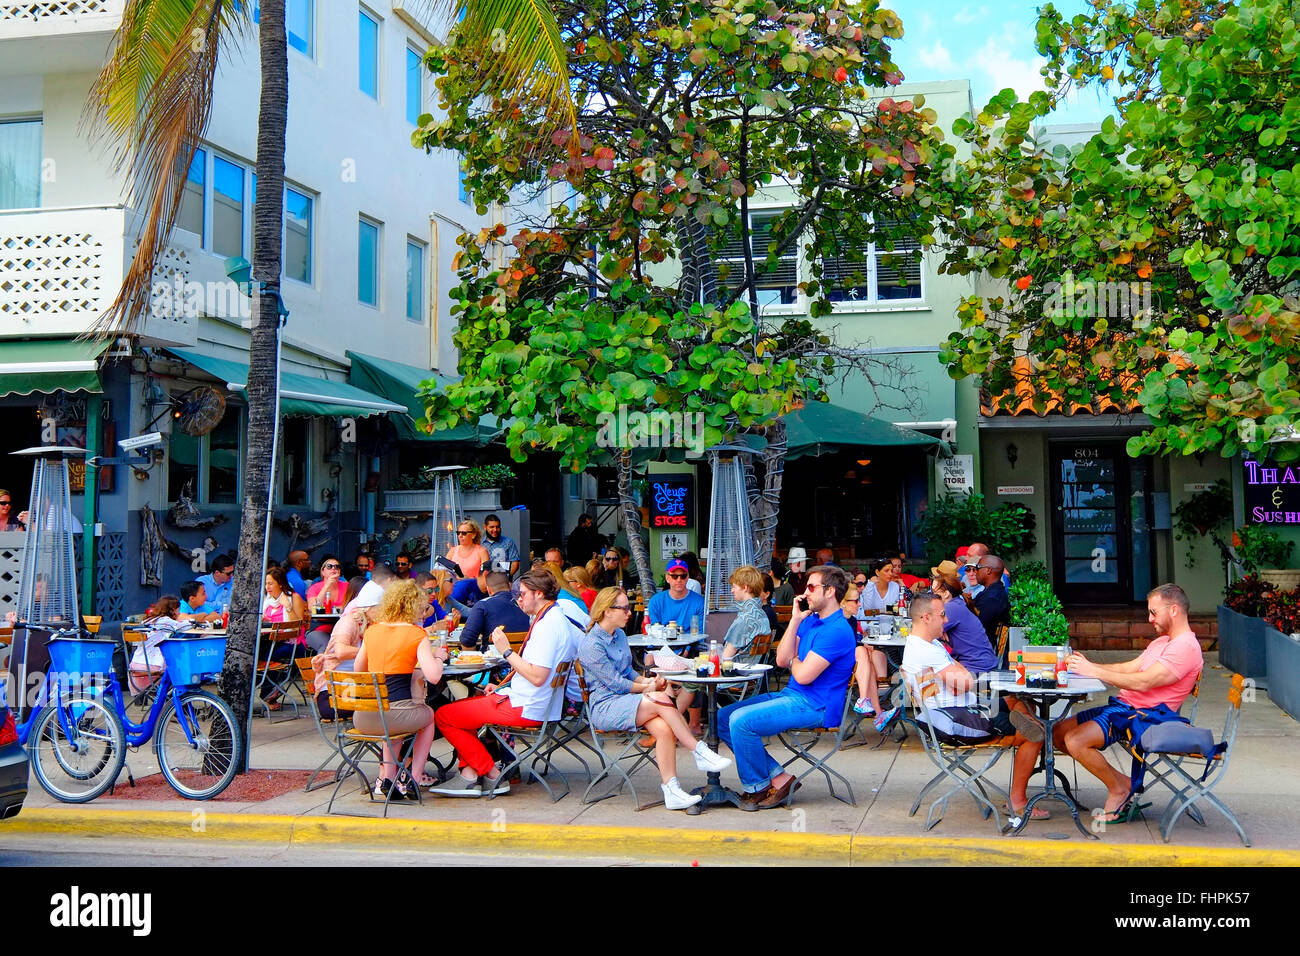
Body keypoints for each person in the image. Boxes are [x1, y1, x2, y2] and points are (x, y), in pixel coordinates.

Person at [1048, 584, 1205, 823]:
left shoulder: (1185, 648)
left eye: (1153, 612)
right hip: (1124, 707)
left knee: (1075, 740)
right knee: (1057, 733)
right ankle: (1124, 782)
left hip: (1145, 717)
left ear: (1173, 610)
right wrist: (1089, 669)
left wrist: (1094, 672)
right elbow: (1128, 668)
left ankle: (1119, 789)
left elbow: (1143, 682)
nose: (1149, 618)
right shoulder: (1162, 643)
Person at [718, 564, 857, 809]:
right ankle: (779, 778)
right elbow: (782, 660)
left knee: (741, 720)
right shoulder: (810, 620)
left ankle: (757, 787)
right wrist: (794, 620)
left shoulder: (838, 630)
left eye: (812, 587)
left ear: (830, 592)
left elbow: (802, 675)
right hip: (794, 695)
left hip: (817, 706)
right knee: (723, 717)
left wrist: (795, 660)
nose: (805, 592)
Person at [432, 570, 581, 797]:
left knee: (445, 715)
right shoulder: (553, 618)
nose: (518, 599)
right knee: (466, 710)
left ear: (538, 594)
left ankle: (489, 773)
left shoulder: (548, 626)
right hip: (534, 702)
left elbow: (538, 676)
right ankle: (469, 773)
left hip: (527, 706)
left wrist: (506, 650)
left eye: (522, 594)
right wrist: (503, 687)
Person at [580, 587, 732, 810]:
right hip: (605, 706)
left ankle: (672, 790)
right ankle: (698, 750)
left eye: (628, 608)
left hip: (627, 701)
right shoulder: (591, 644)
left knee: (663, 728)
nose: (629, 612)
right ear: (606, 611)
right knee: (660, 696)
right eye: (623, 608)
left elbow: (629, 672)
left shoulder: (619, 635)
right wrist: (649, 686)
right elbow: (615, 683)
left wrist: (648, 682)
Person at [901, 590, 1047, 820]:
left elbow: (961, 677)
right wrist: (961, 674)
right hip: (959, 720)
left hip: (954, 710)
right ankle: (1018, 800)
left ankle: (1032, 728)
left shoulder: (922, 644)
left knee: (1017, 702)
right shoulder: (928, 650)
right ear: (926, 618)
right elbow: (966, 681)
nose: (947, 620)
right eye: (942, 615)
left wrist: (960, 674)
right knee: (1034, 733)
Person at [353, 579, 448, 798]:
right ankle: (413, 779)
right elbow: (433, 676)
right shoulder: (417, 634)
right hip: (396, 714)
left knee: (393, 722)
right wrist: (439, 657)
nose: (423, 613)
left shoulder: (372, 631)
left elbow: (360, 670)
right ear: (414, 606)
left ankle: (388, 777)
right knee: (428, 716)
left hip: (364, 717)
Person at [675, 566, 770, 735]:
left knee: (681, 676)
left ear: (745, 587)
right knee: (677, 675)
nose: (732, 590)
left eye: (734, 586)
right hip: (750, 675)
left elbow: (726, 656)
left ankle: (670, 728)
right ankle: (681, 727)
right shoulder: (761, 615)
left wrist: (695, 662)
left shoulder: (744, 619)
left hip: (733, 676)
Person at [312, 577, 378, 718]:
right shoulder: (348, 622)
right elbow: (341, 652)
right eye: (379, 608)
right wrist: (371, 650)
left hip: (357, 688)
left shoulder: (371, 624)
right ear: (369, 607)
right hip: (334, 695)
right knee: (387, 704)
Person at [929, 561, 999, 674]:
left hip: (975, 670)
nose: (931, 597)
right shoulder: (956, 604)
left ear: (946, 594)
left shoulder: (951, 608)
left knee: (927, 676)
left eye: (934, 593)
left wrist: (937, 632)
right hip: (980, 665)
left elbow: (926, 633)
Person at [129, 596, 189, 693]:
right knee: (179, 666)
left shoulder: (147, 620)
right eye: (178, 610)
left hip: (135, 668)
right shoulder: (165, 621)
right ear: (173, 610)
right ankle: (179, 702)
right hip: (153, 669)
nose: (179, 613)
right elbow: (183, 627)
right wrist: (198, 622)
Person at [458, 570, 529, 650]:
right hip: (524, 659)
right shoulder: (526, 604)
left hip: (494, 660)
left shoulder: (482, 605)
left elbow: (467, 641)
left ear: (489, 590)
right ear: (510, 586)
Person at [645, 558, 705, 632]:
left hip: (690, 643)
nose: (679, 580)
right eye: (674, 576)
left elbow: (700, 634)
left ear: (687, 577)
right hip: (662, 642)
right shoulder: (655, 601)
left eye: (683, 576)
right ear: (667, 578)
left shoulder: (699, 602)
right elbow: (654, 632)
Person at [967, 554, 1010, 654]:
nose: (975, 572)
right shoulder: (990, 593)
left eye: (977, 568)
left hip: (981, 652)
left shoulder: (992, 598)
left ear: (988, 570)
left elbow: (977, 627)